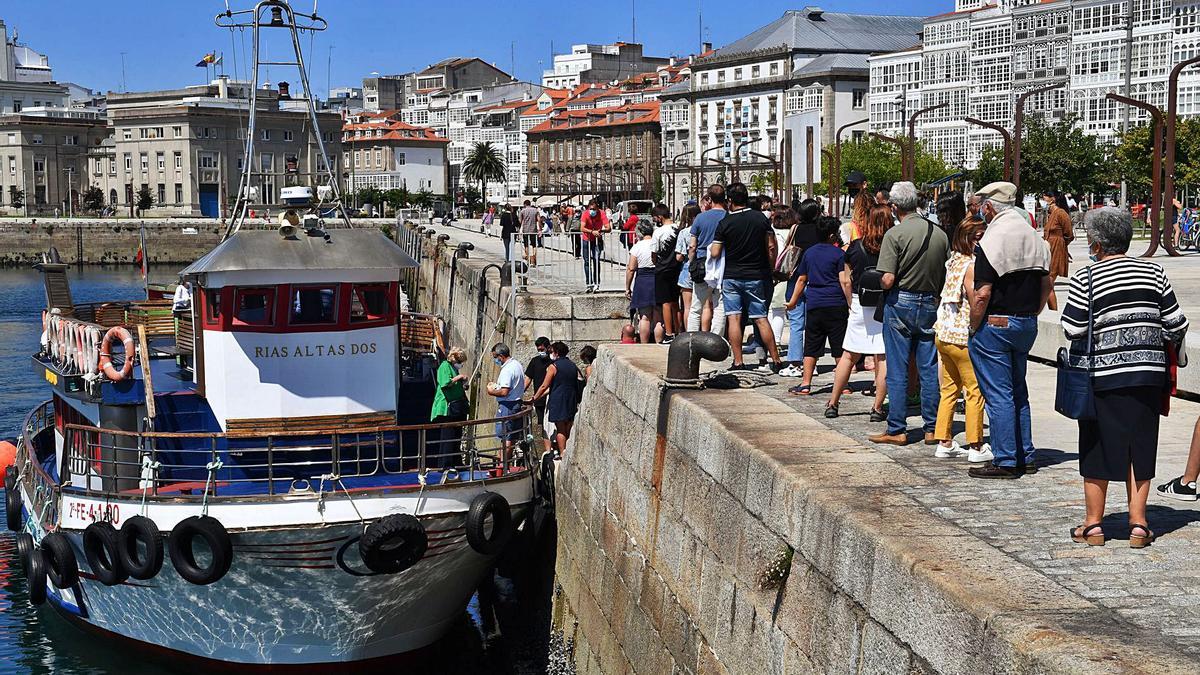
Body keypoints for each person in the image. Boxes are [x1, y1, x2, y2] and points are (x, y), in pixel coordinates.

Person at [1063, 207, 1188, 545]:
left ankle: (1093, 526)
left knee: (1096, 445)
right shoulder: (1154, 271)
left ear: (1098, 244)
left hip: (1103, 376)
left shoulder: (1087, 277)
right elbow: (1176, 323)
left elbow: (1072, 327)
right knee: (1141, 445)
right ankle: (1138, 524)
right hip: (1148, 375)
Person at [966, 182, 1051, 479]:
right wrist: (1033, 313)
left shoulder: (992, 238)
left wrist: (973, 325)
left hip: (996, 322)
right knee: (1018, 390)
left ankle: (1004, 459)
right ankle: (1025, 454)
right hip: (1026, 322)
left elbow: (982, 293)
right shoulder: (1034, 235)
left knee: (998, 393)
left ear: (989, 207)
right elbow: (1046, 284)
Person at [868, 181, 950, 446]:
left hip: (901, 302)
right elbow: (945, 273)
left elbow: (889, 279)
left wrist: (878, 281)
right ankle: (931, 428)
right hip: (930, 303)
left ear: (894, 207)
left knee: (898, 368)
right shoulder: (939, 234)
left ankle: (897, 428)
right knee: (928, 367)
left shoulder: (895, 235)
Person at [709, 182, 784, 371]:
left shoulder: (725, 223)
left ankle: (738, 361)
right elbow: (771, 246)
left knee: (733, 318)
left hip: (732, 276)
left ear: (730, 200)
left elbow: (716, 252)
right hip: (757, 274)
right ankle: (775, 359)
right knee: (761, 317)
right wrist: (770, 266)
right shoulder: (760, 218)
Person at [824, 205, 890, 420]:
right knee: (882, 357)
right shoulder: (891, 246)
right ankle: (878, 408)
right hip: (883, 303)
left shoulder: (855, 246)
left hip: (859, 302)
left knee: (849, 354)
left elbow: (845, 279)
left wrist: (850, 301)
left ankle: (833, 403)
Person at [931, 219, 989, 462]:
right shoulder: (972, 265)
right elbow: (977, 297)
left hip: (943, 333)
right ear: (970, 238)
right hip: (962, 336)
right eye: (980, 236)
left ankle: (944, 441)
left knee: (949, 389)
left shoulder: (953, 261)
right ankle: (976, 445)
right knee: (974, 391)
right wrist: (976, 325)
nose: (983, 240)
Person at [785, 216, 848, 394]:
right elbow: (844, 281)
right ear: (831, 236)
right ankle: (844, 385)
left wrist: (793, 301)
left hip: (815, 303)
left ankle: (806, 383)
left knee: (811, 345)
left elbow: (801, 279)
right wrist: (849, 302)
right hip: (836, 302)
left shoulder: (809, 253)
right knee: (839, 346)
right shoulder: (840, 254)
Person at [778, 201, 821, 377]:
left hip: (795, 278)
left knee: (796, 323)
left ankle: (795, 362)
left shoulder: (796, 229)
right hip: (816, 279)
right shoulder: (820, 230)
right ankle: (812, 362)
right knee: (813, 325)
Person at [687, 185, 728, 336]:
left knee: (696, 307)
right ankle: (716, 338)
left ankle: (691, 338)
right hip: (722, 264)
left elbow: (692, 245)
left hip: (702, 263)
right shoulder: (728, 216)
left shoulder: (700, 218)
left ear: (709, 199)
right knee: (719, 305)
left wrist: (692, 263)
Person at [532, 341, 582, 455]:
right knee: (568, 426)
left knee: (560, 428)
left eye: (552, 351)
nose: (551, 354)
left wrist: (534, 398)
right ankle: (569, 452)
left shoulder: (553, 367)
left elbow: (545, 385)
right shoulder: (573, 365)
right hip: (571, 399)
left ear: (557, 352)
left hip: (558, 400)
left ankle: (562, 454)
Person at [430, 347, 470, 468]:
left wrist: (463, 386)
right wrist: (459, 377)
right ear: (455, 359)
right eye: (460, 362)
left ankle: (456, 462)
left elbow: (453, 384)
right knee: (448, 436)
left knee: (457, 435)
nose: (461, 365)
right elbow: (445, 383)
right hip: (447, 408)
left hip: (457, 406)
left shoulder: (453, 368)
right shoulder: (444, 366)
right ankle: (445, 464)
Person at [486, 343, 526, 459]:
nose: (495, 360)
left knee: (506, 437)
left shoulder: (507, 370)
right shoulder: (517, 364)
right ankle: (503, 465)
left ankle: (503, 466)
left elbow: (504, 392)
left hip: (507, 406)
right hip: (516, 404)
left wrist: (491, 391)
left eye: (495, 357)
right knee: (510, 437)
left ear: (501, 356)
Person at [651, 204, 683, 344]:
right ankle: (679, 330)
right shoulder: (678, 229)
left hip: (662, 269)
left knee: (665, 302)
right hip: (677, 269)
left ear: (660, 217)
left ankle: (669, 333)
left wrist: (656, 262)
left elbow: (654, 253)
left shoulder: (658, 232)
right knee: (676, 302)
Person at [626, 221, 659, 343]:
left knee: (644, 317)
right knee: (658, 317)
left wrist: (627, 287)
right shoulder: (657, 244)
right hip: (657, 279)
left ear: (639, 233)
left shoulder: (637, 247)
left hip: (643, 281)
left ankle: (644, 345)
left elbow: (631, 268)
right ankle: (659, 344)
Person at [1042, 190, 1074, 311]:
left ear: (1053, 199)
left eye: (1045, 197)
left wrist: (1062, 245)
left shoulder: (1061, 213)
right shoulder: (1050, 214)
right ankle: (1051, 310)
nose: (1043, 200)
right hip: (1048, 248)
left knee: (1048, 282)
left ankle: (1053, 311)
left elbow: (1069, 234)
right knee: (1046, 283)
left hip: (1057, 249)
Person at [675, 204, 702, 336]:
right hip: (703, 266)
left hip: (687, 268)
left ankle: (689, 334)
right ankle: (705, 333)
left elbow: (679, 257)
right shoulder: (703, 229)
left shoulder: (684, 232)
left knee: (688, 307)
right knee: (705, 305)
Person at [524, 337, 553, 455]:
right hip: (539, 401)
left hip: (551, 399)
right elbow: (528, 379)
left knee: (553, 425)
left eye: (542, 349)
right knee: (543, 426)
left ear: (548, 348)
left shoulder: (553, 362)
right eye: (538, 349)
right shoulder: (534, 361)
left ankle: (554, 450)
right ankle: (548, 452)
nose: (540, 351)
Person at [580, 200, 608, 292]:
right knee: (587, 262)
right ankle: (589, 283)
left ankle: (596, 283)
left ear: (597, 208)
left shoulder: (602, 213)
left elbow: (608, 227)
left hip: (597, 240)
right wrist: (592, 232)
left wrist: (601, 231)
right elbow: (582, 227)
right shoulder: (585, 214)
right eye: (591, 209)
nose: (592, 211)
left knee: (596, 261)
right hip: (586, 239)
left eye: (594, 209)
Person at [518, 199, 541, 268]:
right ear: (530, 204)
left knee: (526, 245)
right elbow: (539, 220)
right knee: (534, 245)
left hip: (526, 230)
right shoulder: (535, 210)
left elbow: (520, 221)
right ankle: (533, 260)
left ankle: (528, 260)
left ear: (525, 204)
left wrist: (520, 229)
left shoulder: (522, 211)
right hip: (533, 230)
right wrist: (540, 229)